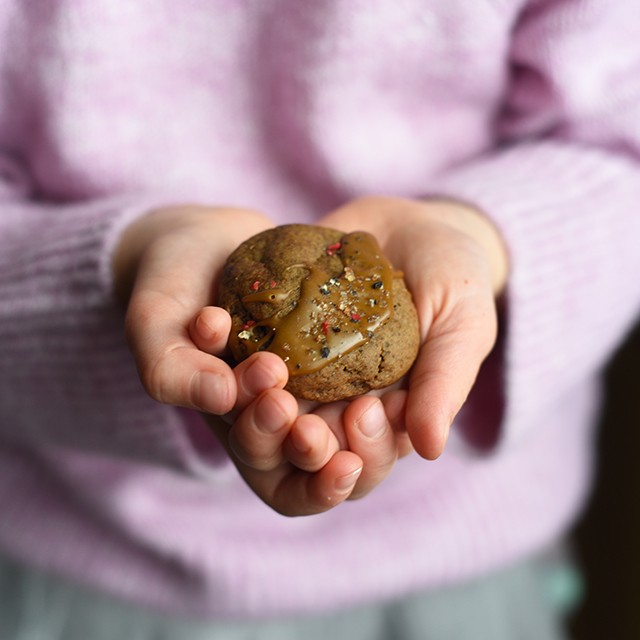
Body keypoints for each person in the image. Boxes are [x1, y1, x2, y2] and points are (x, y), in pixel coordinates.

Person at [1, 0, 639, 638]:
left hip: (466, 557)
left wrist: (478, 240)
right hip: (84, 561)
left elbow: (621, 144)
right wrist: (123, 271)